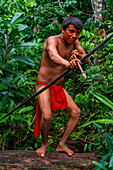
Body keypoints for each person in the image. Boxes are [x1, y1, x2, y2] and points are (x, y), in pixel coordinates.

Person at [34, 16, 90, 157]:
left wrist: (77, 55)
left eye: (77, 32)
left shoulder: (74, 42)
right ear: (62, 29)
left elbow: (87, 58)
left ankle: (61, 144)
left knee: (76, 112)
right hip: (44, 84)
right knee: (47, 117)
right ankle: (44, 144)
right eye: (71, 31)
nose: (74, 35)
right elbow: (53, 55)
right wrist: (68, 63)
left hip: (58, 86)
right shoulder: (52, 40)